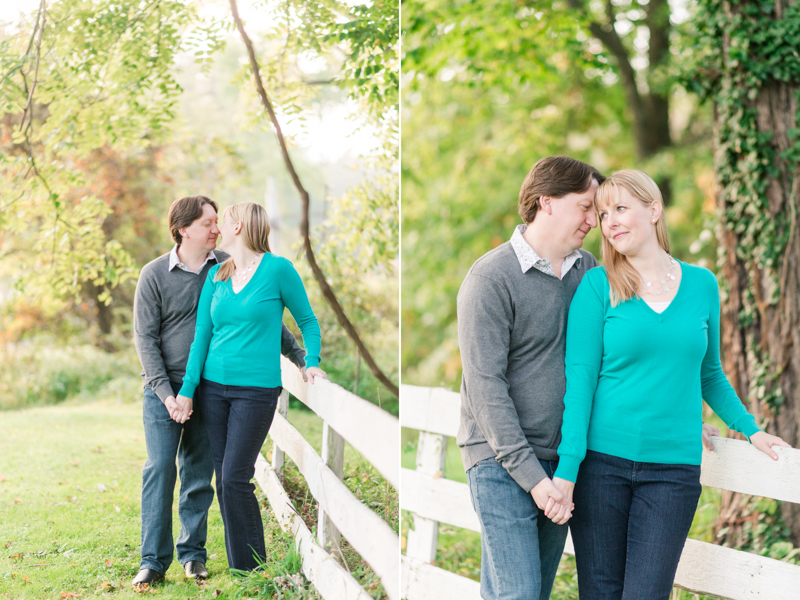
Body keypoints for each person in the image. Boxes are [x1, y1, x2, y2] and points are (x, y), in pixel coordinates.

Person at [550, 170, 790, 600]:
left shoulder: (702, 284)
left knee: (647, 593)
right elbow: (580, 382)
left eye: (621, 208)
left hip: (673, 473)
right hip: (602, 467)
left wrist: (749, 428)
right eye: (604, 214)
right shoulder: (598, 285)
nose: (610, 222)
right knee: (600, 592)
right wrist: (568, 471)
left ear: (654, 209)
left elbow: (709, 373)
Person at [132, 195, 311, 589]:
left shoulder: (225, 267)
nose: (216, 228)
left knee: (199, 473)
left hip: (206, 387)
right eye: (208, 223)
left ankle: (193, 556)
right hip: (165, 388)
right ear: (184, 229)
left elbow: (264, 316)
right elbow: (145, 341)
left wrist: (300, 356)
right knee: (160, 469)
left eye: (218, 221)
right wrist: (167, 394)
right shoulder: (154, 274)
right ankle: (152, 560)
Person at [174, 201, 326, 573]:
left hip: (255, 391)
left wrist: (312, 362)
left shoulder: (278, 270)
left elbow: (307, 320)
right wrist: (188, 388)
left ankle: (256, 567)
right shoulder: (218, 275)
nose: (217, 229)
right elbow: (202, 337)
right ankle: (244, 567)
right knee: (225, 480)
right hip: (213, 389)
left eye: (222, 222)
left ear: (239, 227)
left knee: (234, 476)